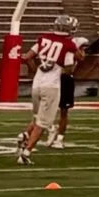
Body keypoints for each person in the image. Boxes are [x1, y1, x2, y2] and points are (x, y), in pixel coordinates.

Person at [16, 15, 79, 165]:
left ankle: (25, 135)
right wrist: (61, 68)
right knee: (43, 123)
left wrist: (36, 69)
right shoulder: (68, 45)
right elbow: (69, 69)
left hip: (37, 84)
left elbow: (27, 57)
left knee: (37, 117)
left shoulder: (43, 38)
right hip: (51, 86)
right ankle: (26, 152)